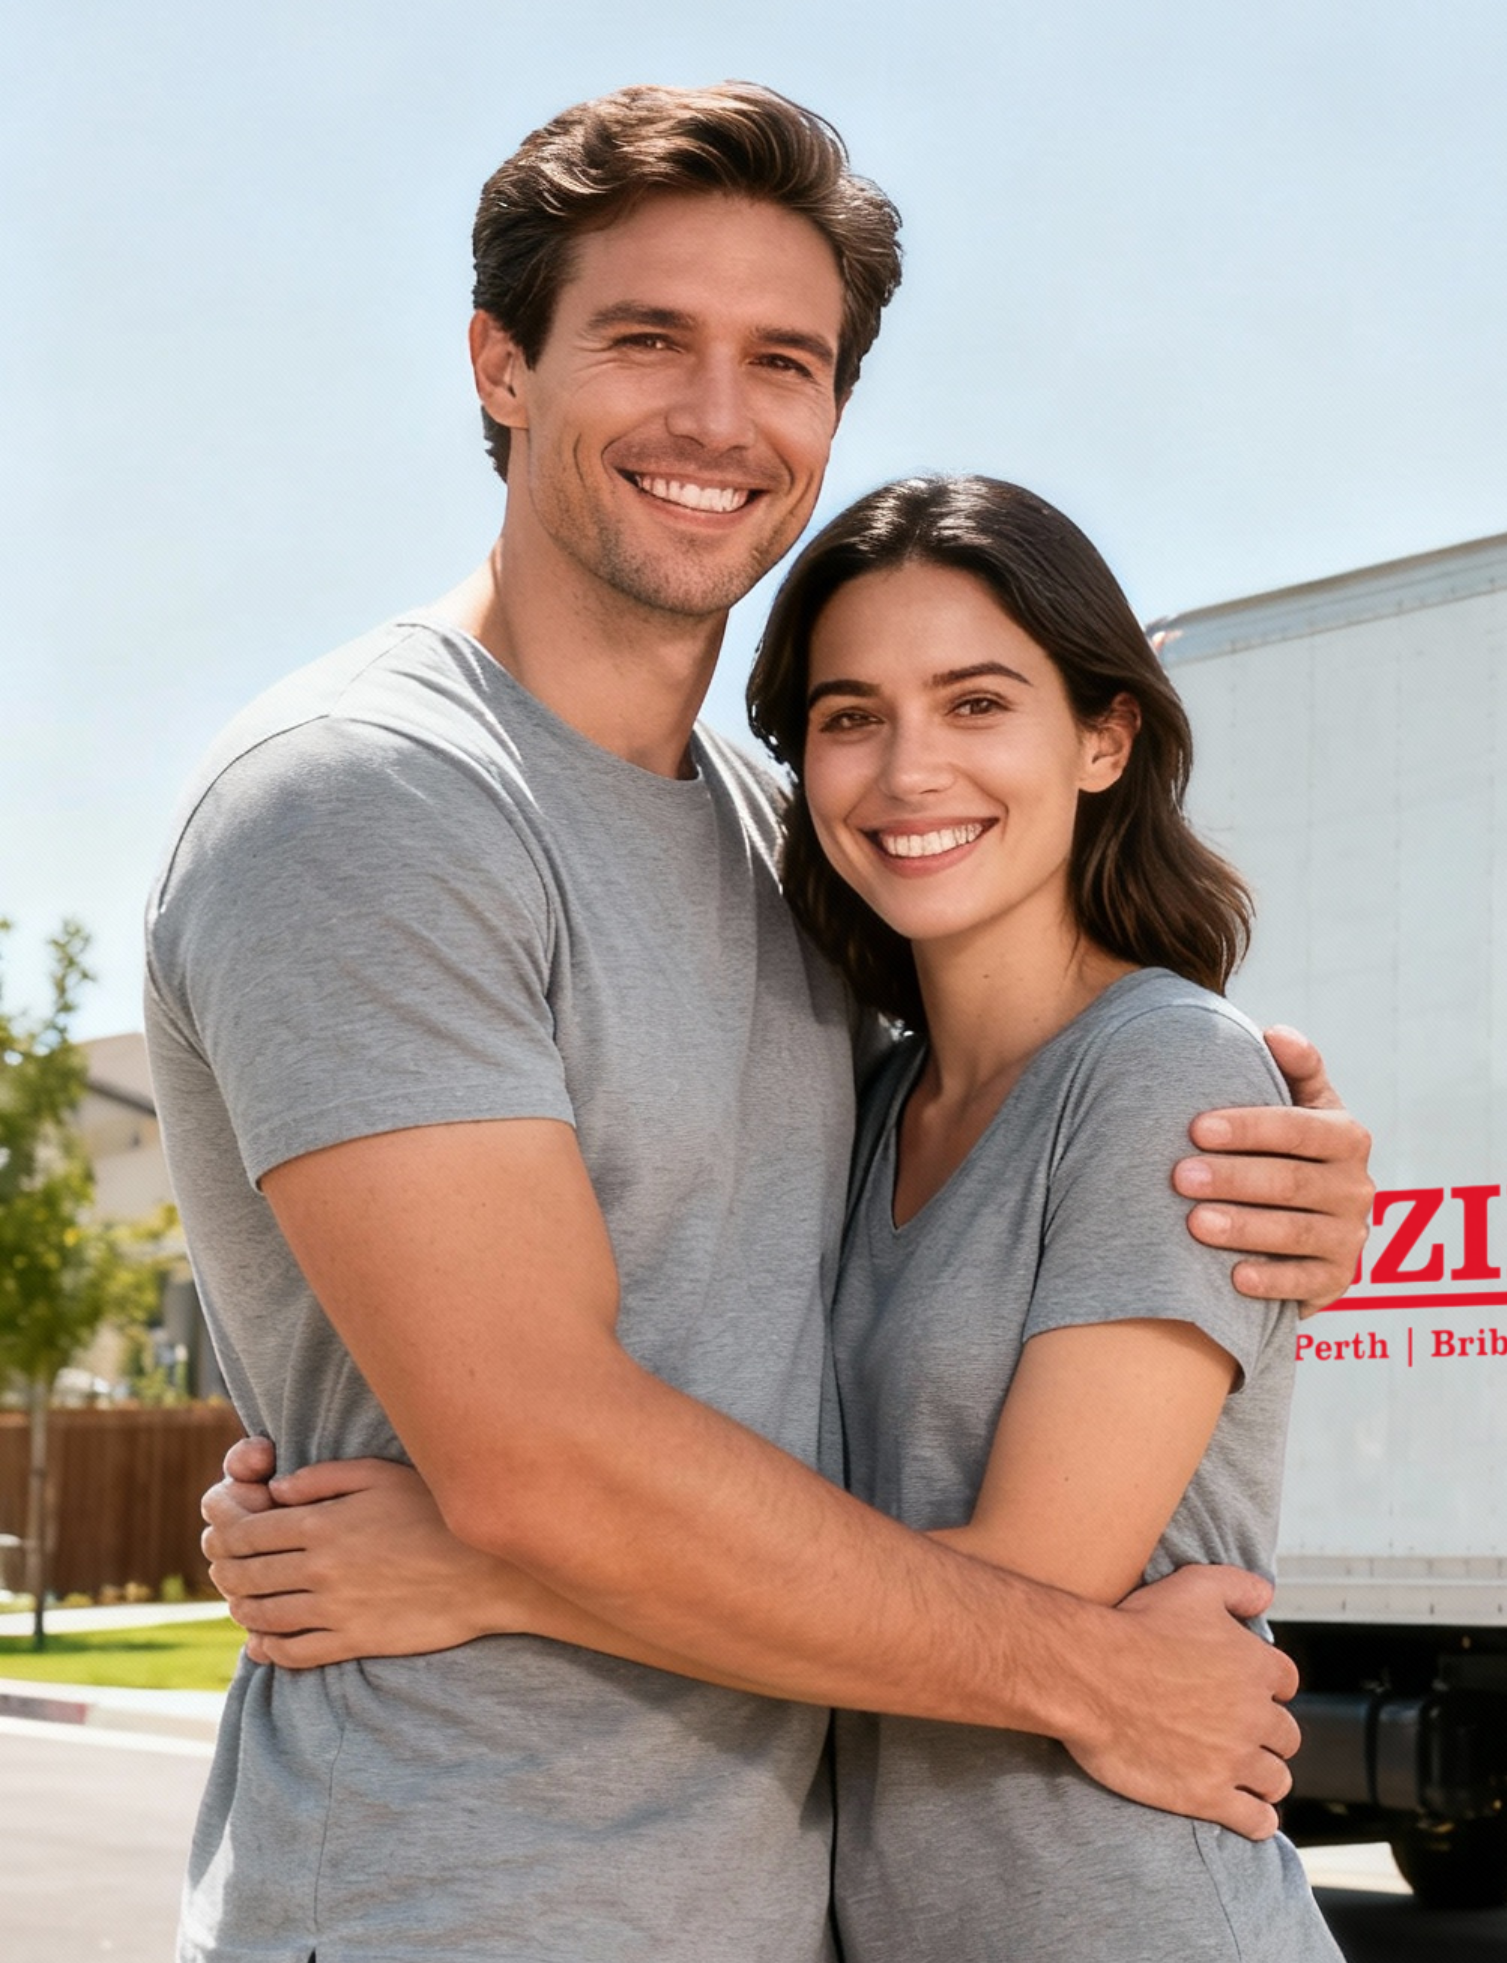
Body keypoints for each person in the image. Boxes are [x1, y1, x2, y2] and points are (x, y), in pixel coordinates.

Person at [154, 86, 1373, 1960]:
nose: (718, 418)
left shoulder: (774, 857)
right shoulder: (368, 801)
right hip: (455, 1896)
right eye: (647, 338)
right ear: (503, 364)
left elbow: (1023, 1140)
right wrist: (1095, 1673)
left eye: (782, 360)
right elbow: (537, 1452)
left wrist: (1270, 1155)